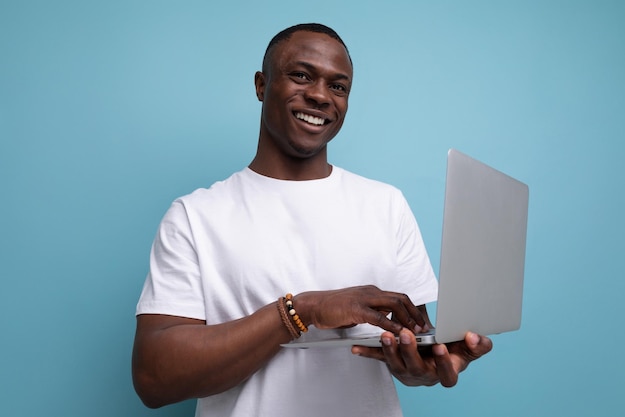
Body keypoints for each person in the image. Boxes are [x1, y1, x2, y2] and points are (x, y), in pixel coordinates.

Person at [132, 23, 492, 416]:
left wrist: (423, 366)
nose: (321, 96)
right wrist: (302, 310)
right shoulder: (195, 216)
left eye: (338, 86)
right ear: (261, 85)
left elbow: (410, 348)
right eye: (302, 76)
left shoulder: (386, 204)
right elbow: (154, 379)